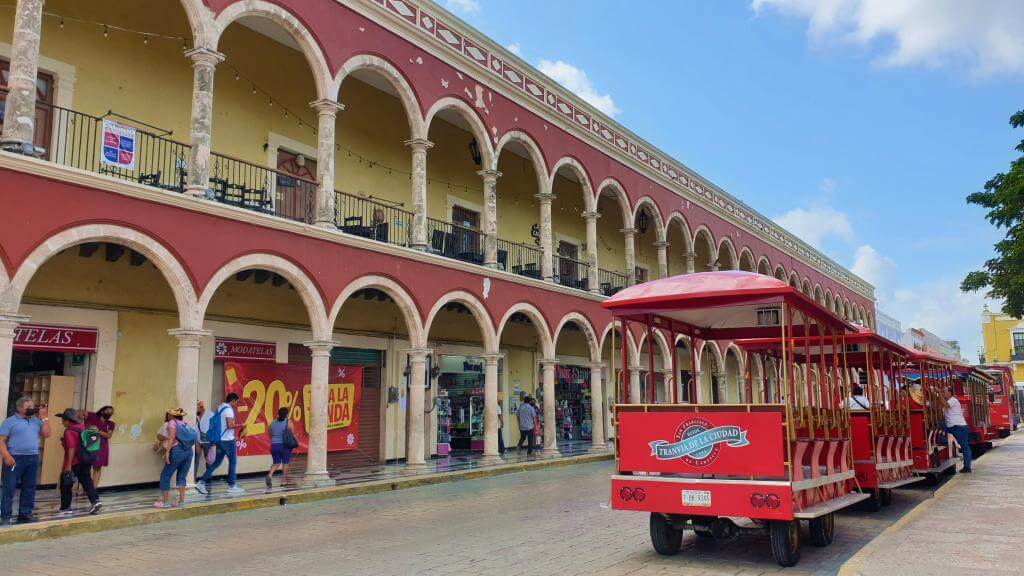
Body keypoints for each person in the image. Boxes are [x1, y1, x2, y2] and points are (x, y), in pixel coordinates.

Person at [0, 396, 50, 524]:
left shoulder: (35, 421)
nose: (32, 409)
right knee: (9, 487)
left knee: (30, 487)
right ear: (19, 408)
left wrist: (44, 418)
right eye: (29, 407)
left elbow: (46, 433)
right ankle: (5, 515)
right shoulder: (9, 421)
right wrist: (6, 456)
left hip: (33, 458)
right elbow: (1, 441)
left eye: (33, 407)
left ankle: (25, 514)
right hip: (15, 458)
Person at [196, 393, 246, 495]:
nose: (236, 404)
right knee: (233, 462)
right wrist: (241, 425)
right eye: (236, 402)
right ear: (233, 401)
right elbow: (230, 425)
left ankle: (201, 482)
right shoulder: (228, 410)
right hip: (228, 441)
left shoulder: (220, 408)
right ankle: (232, 486)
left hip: (219, 440)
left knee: (216, 463)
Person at [56, 408, 101, 516]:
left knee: (66, 484)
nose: (62, 423)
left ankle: (65, 508)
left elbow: (71, 448)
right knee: (87, 481)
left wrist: (68, 465)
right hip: (85, 460)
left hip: (74, 462)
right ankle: (95, 501)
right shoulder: (83, 428)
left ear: (68, 420)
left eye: (63, 420)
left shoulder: (69, 431)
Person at [155, 408, 196, 509]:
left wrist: (168, 452)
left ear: (171, 415)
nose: (168, 415)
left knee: (165, 475)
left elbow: (172, 437)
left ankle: (165, 502)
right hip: (189, 451)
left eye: (169, 414)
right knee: (182, 477)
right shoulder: (184, 423)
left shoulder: (172, 423)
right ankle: (181, 502)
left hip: (177, 451)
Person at [942, 386, 971, 473]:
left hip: (959, 426)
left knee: (965, 447)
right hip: (951, 426)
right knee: (941, 431)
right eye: (943, 392)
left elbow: (946, 405)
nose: (943, 394)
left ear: (950, 393)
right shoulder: (948, 400)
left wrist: (939, 393)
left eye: (944, 392)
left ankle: (967, 467)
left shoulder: (953, 400)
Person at [85, 406, 115, 487]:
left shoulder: (111, 423)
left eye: (111, 412)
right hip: (89, 445)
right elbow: (80, 413)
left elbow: (108, 435)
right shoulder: (92, 416)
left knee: (97, 468)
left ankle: (94, 489)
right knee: (85, 468)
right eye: (108, 410)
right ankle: (85, 488)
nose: (110, 413)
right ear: (102, 411)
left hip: (102, 448)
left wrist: (98, 431)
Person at [266, 407, 296, 487]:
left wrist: (275, 441)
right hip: (284, 446)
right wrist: (296, 443)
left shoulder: (272, 423)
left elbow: (270, 435)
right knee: (285, 463)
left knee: (276, 463)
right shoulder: (288, 422)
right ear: (286, 415)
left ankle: (270, 475)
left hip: (274, 446)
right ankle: (283, 481)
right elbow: (293, 434)